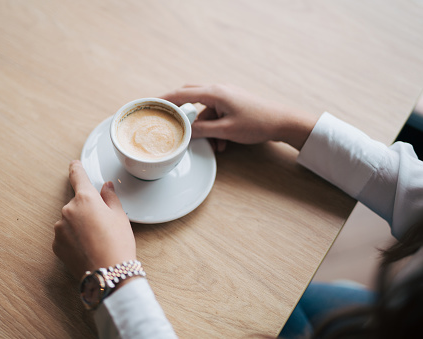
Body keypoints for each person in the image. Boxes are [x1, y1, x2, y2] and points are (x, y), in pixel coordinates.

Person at [52, 84, 423, 338]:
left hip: (378, 320)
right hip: (379, 309)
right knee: (295, 304)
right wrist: (288, 124)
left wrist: (112, 277)